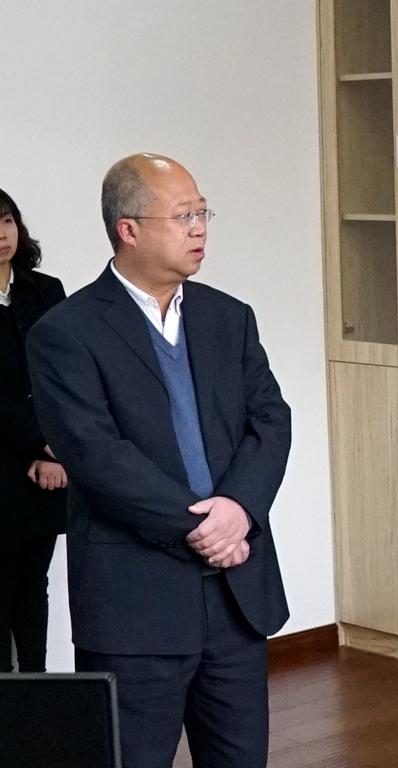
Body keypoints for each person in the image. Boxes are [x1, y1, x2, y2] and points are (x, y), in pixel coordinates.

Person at [26, 153, 291, 768]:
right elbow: (95, 454)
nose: (199, 229)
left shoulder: (229, 317)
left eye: (202, 214)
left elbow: (270, 421)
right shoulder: (67, 331)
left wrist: (239, 509)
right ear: (129, 229)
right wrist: (204, 526)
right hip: (135, 602)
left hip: (236, 594)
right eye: (183, 216)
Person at [0, 187, 68, 674]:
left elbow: (64, 376)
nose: (1, 234)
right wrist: (38, 442)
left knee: (33, 585)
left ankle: (37, 690)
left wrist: (52, 451)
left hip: (46, 466)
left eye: (6, 221)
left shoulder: (46, 291)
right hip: (5, 462)